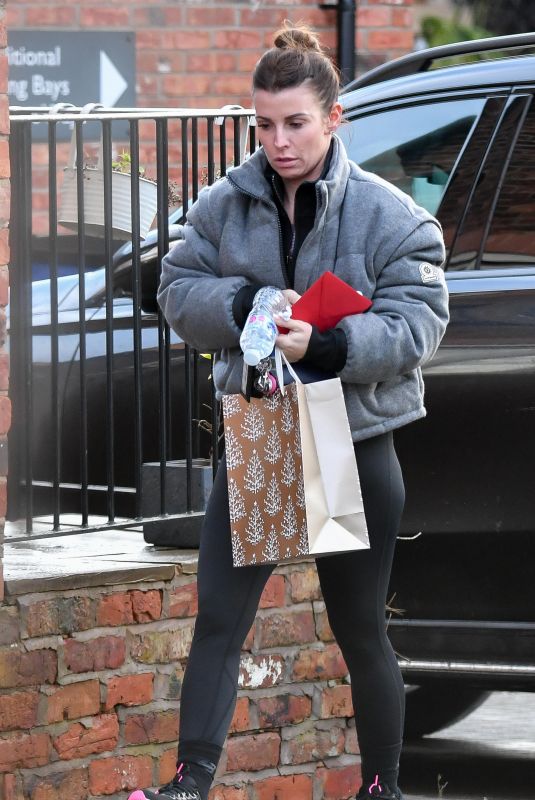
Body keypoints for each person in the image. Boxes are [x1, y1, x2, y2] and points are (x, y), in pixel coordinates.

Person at [129, 23, 449, 800]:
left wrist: (331, 345)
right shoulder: (222, 206)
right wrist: (241, 301)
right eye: (263, 123)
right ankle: (190, 784)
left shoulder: (388, 215)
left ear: (333, 118)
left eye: (295, 122)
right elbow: (173, 290)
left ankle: (383, 787)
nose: (277, 141)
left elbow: (419, 322)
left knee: (359, 627)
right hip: (264, 434)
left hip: (350, 439)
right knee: (218, 620)